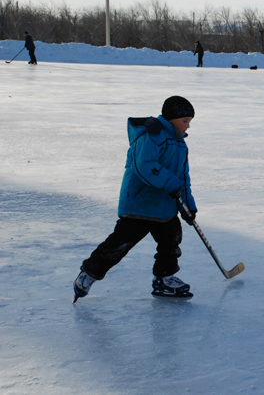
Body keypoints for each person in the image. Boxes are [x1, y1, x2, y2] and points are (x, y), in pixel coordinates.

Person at [73, 96, 198, 302]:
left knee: (171, 241)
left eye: (189, 122)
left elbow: (183, 178)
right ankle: (88, 274)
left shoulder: (180, 145)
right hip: (140, 204)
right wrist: (171, 183)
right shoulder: (152, 136)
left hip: (164, 207)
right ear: (171, 119)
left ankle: (164, 279)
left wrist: (188, 206)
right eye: (185, 121)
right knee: (119, 244)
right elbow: (144, 165)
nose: (188, 127)